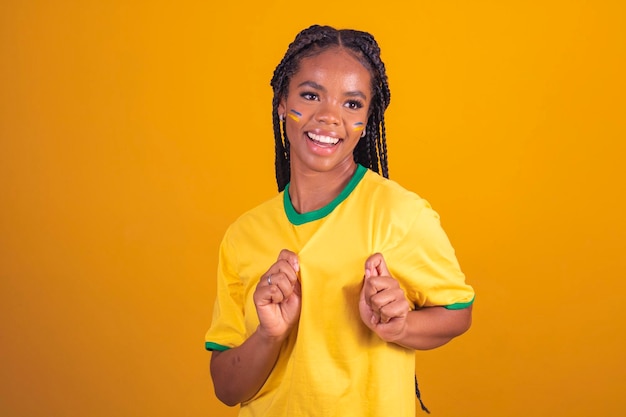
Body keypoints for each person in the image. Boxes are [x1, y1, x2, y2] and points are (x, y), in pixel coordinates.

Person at [205, 24, 475, 417]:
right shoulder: (243, 235)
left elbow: (458, 313)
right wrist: (269, 333)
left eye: (352, 104)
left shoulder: (400, 213)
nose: (330, 118)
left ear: (368, 116)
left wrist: (399, 327)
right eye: (311, 95)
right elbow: (227, 389)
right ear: (282, 101)